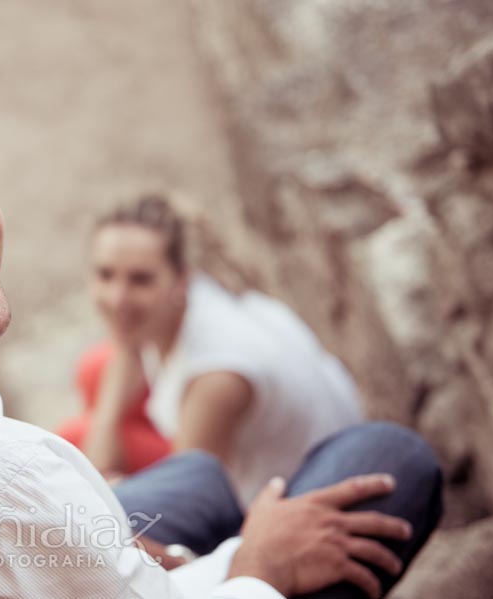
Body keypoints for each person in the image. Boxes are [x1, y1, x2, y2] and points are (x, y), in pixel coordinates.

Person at [0, 64, 441, 599]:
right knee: (389, 456)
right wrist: (260, 566)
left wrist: (101, 554)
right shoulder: (6, 490)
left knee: (198, 475)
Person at [60, 195, 362, 506]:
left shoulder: (217, 377)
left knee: (72, 437)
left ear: (180, 279)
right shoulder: (190, 299)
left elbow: (184, 501)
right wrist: (107, 419)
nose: (117, 298)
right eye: (105, 274)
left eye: (141, 280)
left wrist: (106, 484)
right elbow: (120, 358)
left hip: (287, 491)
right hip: (273, 435)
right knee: (95, 372)